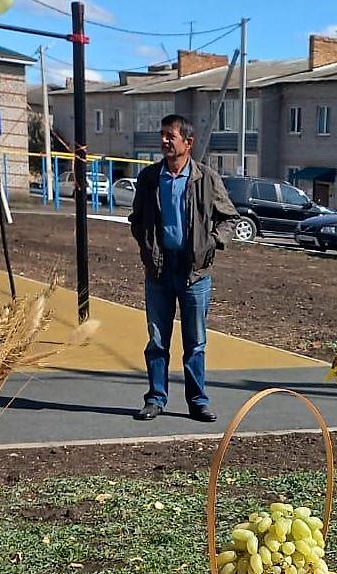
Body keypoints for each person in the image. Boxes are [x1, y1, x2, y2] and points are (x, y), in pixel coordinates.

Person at [128, 114, 237, 423]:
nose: (164, 140)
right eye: (162, 135)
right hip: (159, 271)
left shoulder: (206, 178)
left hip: (195, 272)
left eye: (170, 136)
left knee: (195, 343)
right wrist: (146, 247)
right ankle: (155, 399)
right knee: (158, 340)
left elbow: (230, 217)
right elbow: (137, 219)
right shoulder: (150, 178)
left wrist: (213, 242)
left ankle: (198, 402)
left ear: (188, 143)